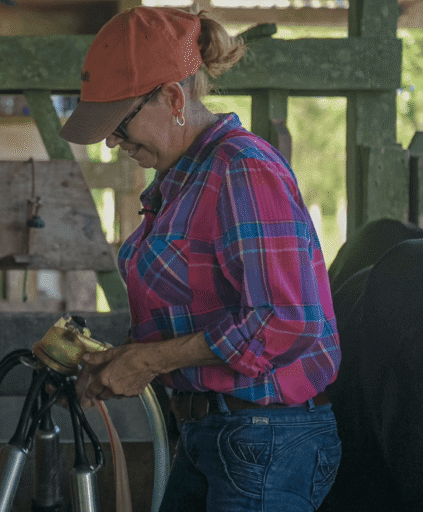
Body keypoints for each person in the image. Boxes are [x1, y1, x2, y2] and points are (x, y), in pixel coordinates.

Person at [59, 7, 342, 512]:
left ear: (171, 98)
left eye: (120, 125)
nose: (112, 142)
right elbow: (204, 308)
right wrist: (125, 358)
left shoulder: (242, 168)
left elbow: (286, 319)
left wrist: (148, 361)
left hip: (266, 439)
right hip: (219, 432)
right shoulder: (181, 179)